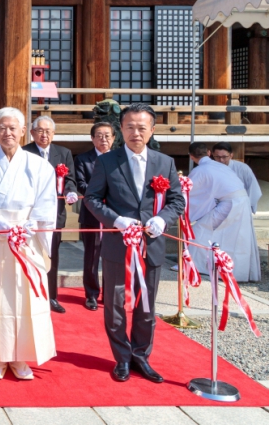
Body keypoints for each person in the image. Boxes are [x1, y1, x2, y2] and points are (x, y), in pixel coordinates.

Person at [84, 103, 184, 384]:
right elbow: (92, 199)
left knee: (147, 307)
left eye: (142, 127)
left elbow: (177, 200)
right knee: (114, 305)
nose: (135, 133)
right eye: (129, 127)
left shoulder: (165, 163)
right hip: (119, 246)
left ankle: (142, 356)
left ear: (152, 130)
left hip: (151, 246)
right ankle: (122, 358)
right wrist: (116, 220)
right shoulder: (107, 161)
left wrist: (163, 220)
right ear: (121, 129)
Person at [0, 107, 57, 381]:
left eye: (13, 128)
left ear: (22, 131)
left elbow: (47, 202)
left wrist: (31, 225)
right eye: (2, 127)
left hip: (28, 236)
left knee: (27, 296)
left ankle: (20, 357)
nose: (8, 133)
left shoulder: (39, 165)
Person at [22, 115, 78, 314]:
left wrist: (71, 191)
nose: (44, 135)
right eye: (40, 131)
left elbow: (70, 179)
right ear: (32, 132)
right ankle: (29, 294)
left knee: (51, 254)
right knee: (29, 253)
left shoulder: (63, 153)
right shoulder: (24, 152)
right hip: (29, 215)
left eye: (48, 131)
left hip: (54, 214)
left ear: (53, 133)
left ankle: (51, 296)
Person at [187, 142, 260, 282]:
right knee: (232, 237)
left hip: (231, 203)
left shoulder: (200, 171)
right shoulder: (218, 166)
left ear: (191, 157)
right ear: (209, 153)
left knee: (200, 229)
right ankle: (228, 269)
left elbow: (193, 194)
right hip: (238, 202)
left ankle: (195, 265)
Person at [74, 122, 115, 311]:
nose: (103, 139)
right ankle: (91, 294)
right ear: (92, 138)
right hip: (92, 214)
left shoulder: (120, 158)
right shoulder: (83, 159)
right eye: (99, 135)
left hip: (115, 216)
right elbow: (80, 184)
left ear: (114, 138)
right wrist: (100, 196)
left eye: (107, 135)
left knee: (113, 256)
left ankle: (110, 294)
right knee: (91, 256)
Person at [211, 142, 263, 214]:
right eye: (217, 157)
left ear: (231, 155)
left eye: (224, 157)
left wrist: (247, 207)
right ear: (212, 155)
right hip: (217, 209)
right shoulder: (210, 169)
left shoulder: (242, 168)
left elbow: (254, 189)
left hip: (240, 208)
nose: (221, 160)